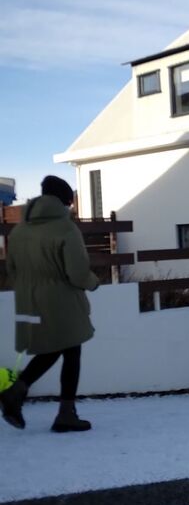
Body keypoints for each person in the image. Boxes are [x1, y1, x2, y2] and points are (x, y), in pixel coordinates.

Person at [0, 175, 99, 432]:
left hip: (28, 300)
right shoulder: (65, 228)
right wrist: (93, 282)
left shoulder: (20, 230)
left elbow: (11, 268)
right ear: (63, 201)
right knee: (70, 349)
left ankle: (20, 392)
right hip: (61, 300)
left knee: (56, 348)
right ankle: (62, 412)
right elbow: (77, 273)